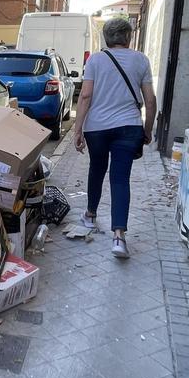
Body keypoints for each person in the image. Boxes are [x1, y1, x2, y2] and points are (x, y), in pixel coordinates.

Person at [71, 18, 157, 258]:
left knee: (97, 169)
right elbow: (150, 101)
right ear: (128, 37)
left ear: (106, 38)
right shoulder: (141, 60)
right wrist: (147, 130)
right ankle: (119, 238)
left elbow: (85, 96)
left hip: (97, 128)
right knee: (120, 179)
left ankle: (90, 215)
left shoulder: (95, 60)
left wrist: (77, 130)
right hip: (129, 127)